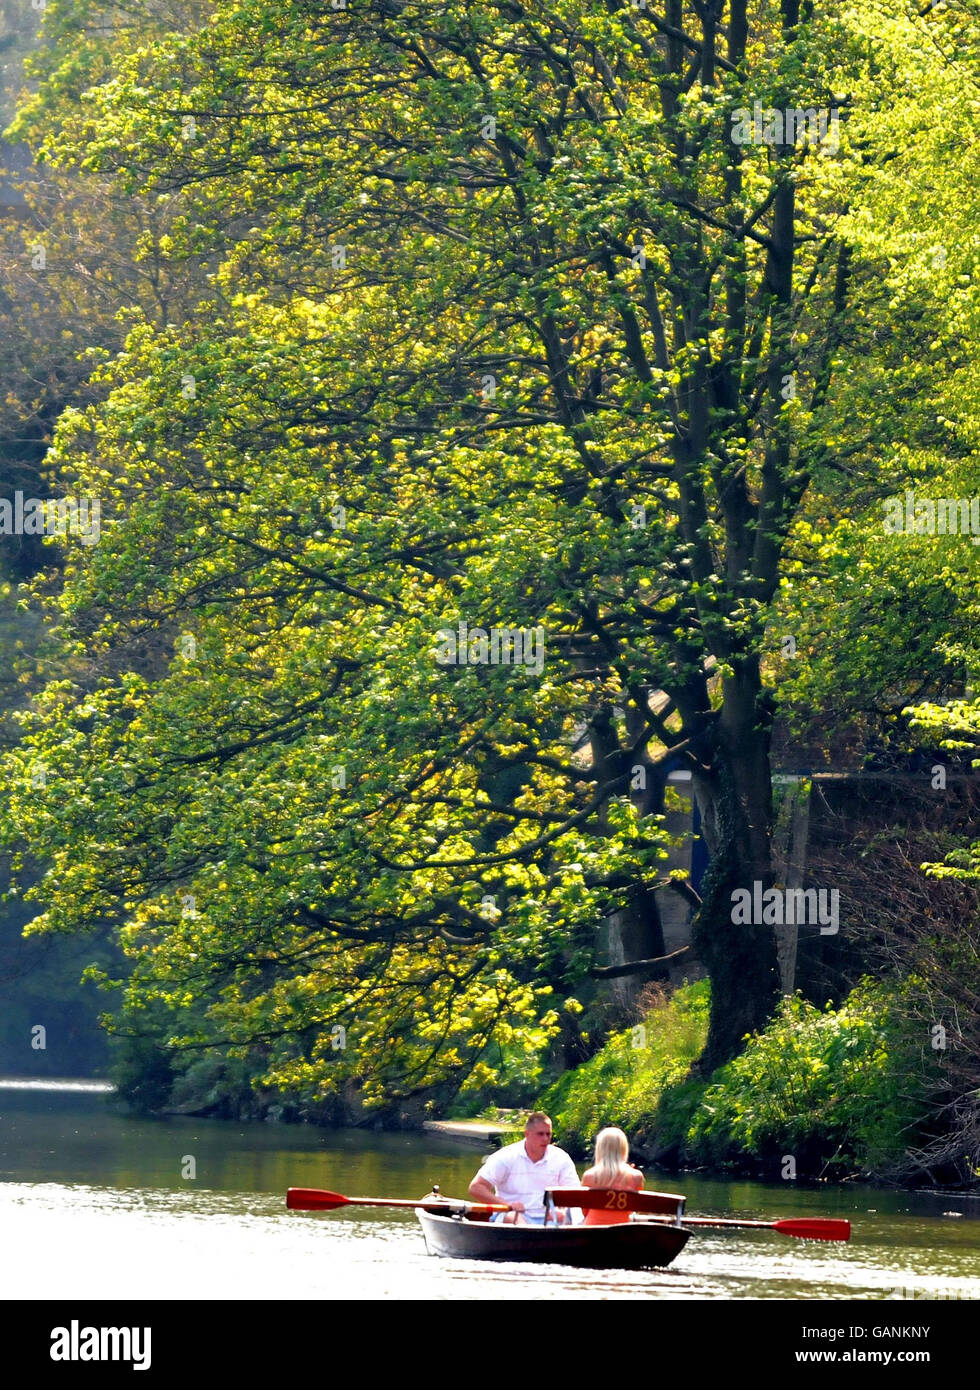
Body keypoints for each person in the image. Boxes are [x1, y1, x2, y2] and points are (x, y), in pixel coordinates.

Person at [468, 1112, 579, 1225]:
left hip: (550, 1218)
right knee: (513, 1218)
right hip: (512, 1215)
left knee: (572, 1218)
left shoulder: (561, 1158)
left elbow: (576, 1194)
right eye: (540, 1134)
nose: (545, 1138)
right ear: (527, 1134)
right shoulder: (506, 1156)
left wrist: (564, 1210)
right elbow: (476, 1187)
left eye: (548, 1134)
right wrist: (508, 1205)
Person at [580, 1126, 644, 1225]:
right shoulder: (636, 1177)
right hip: (623, 1234)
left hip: (591, 1234)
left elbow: (584, 1212)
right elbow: (633, 1209)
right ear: (624, 1148)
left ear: (600, 1148)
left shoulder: (589, 1177)